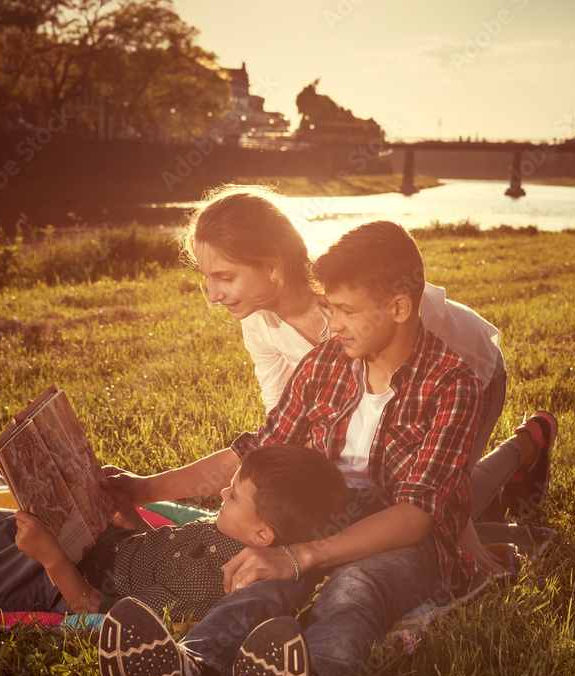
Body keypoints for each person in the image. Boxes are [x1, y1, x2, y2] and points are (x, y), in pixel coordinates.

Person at [99, 221, 540, 676]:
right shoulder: (325, 365)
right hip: (320, 520)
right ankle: (194, 675)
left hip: (403, 541)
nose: (333, 326)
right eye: (330, 309)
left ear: (399, 308)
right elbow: (261, 451)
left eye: (347, 312)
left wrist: (304, 555)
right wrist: (146, 489)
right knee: (262, 580)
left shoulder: (453, 385)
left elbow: (417, 515)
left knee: (353, 592)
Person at [181, 184, 555, 525]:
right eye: (207, 277)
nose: (212, 295)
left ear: (272, 267)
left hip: (468, 379)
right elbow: (281, 434)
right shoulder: (258, 321)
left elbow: (420, 402)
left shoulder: (357, 293)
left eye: (225, 277)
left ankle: (527, 443)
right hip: (379, 402)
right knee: (352, 503)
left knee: (436, 510)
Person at [0, 443, 348, 622]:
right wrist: (128, 517)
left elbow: (101, 610)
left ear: (263, 535)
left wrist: (51, 558)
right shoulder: (229, 530)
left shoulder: (219, 582)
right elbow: (163, 554)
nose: (223, 491)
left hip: (59, 578)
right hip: (93, 541)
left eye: (235, 495)